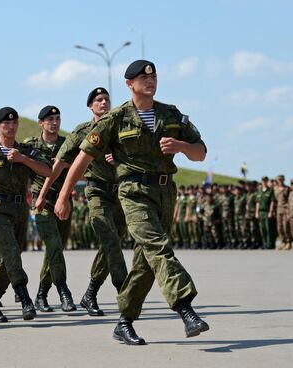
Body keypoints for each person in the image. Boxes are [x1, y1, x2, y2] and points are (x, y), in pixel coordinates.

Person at [54, 60, 209, 345]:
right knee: (157, 248)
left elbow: (200, 152)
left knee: (146, 261)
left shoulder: (172, 115)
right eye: (142, 78)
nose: (149, 81)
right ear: (129, 84)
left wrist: (182, 147)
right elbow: (82, 158)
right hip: (133, 192)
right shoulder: (115, 119)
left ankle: (123, 322)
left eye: (153, 77)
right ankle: (186, 308)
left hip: (164, 192)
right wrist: (63, 196)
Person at [45, 87, 127, 316]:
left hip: (120, 192)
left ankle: (90, 294)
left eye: (107, 99)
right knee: (110, 239)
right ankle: (125, 290)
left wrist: (119, 157)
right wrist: (46, 194)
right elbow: (60, 161)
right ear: (90, 106)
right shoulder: (83, 131)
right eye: (98, 100)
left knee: (112, 244)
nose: (104, 102)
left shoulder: (121, 127)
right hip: (97, 191)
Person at [0, 107, 52, 323]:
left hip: (19, 209)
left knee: (11, 255)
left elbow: (47, 170)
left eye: (14, 122)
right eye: (5, 123)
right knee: (10, 251)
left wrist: (23, 159)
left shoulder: (25, 150)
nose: (11, 126)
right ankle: (24, 298)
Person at [22, 105, 76, 313]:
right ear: (41, 123)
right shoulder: (30, 145)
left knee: (55, 250)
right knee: (53, 244)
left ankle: (41, 294)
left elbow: (78, 171)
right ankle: (64, 291)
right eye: (50, 119)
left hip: (62, 201)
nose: (54, 122)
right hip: (41, 202)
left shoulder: (67, 145)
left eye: (57, 118)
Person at [255, 176, 276, 250]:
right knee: (262, 229)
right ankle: (264, 244)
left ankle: (269, 244)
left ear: (267, 181)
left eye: (265, 181)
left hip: (267, 211)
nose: (264, 182)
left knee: (268, 229)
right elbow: (257, 202)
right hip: (261, 212)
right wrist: (256, 212)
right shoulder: (259, 191)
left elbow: (272, 202)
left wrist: (270, 211)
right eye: (263, 181)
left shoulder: (270, 191)